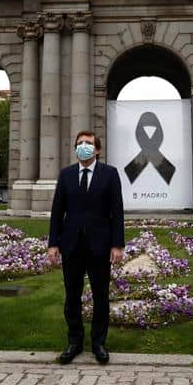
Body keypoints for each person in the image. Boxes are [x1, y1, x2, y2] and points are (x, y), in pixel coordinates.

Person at [48, 131, 124, 365]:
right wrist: (53, 243)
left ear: (97, 150)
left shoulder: (110, 174)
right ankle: (74, 341)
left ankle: (98, 343)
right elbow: (57, 211)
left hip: (100, 245)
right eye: (80, 143)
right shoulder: (66, 174)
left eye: (88, 143)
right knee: (72, 296)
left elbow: (117, 212)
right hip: (71, 245)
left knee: (101, 296)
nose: (83, 146)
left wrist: (117, 244)